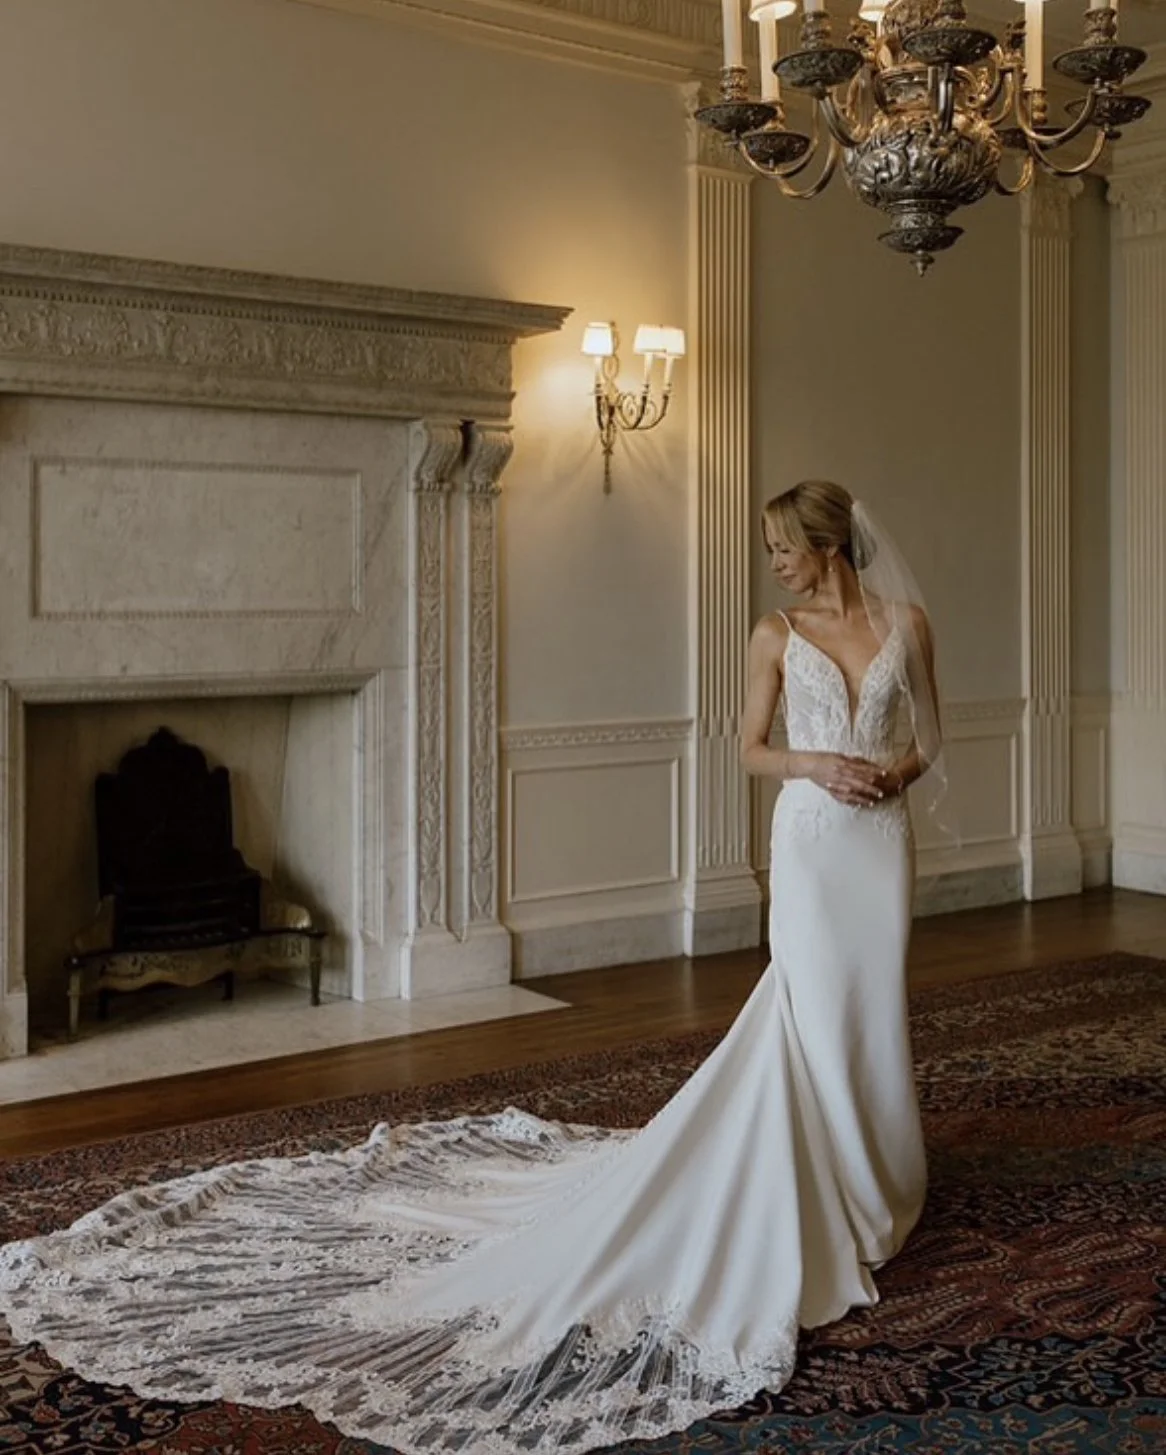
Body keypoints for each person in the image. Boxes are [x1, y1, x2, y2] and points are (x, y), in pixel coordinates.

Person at [0, 481, 944, 1455]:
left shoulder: (905, 624)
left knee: (869, 1007)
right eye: (768, 547)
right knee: (807, 1005)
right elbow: (748, 748)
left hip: (877, 846)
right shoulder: (772, 634)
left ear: (827, 544)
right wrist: (816, 767)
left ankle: (874, 1169)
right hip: (812, 842)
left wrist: (888, 776)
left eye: (783, 546)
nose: (773, 561)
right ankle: (822, 1183)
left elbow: (929, 739)